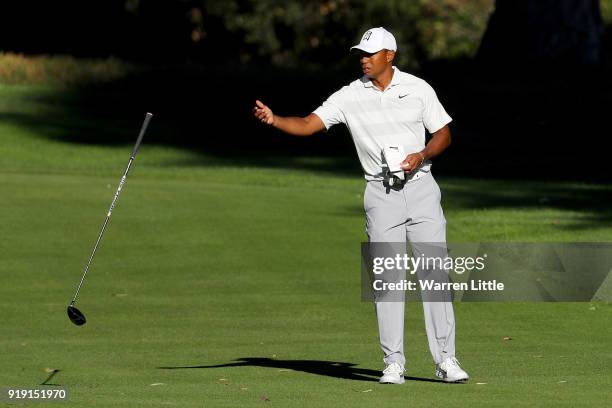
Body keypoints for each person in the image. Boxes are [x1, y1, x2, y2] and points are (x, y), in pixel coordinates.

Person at [253, 27, 469, 384]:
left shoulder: (418, 88)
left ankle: (446, 360)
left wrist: (422, 155)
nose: (364, 60)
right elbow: (309, 123)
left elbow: (443, 132)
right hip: (380, 195)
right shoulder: (349, 96)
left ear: (390, 55)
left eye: (371, 54)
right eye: (361, 55)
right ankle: (394, 363)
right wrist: (276, 120)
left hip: (422, 189)